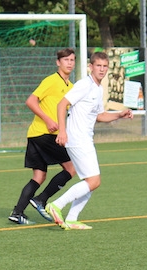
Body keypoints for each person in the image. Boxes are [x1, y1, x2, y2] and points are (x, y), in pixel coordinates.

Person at [45, 52, 133, 230]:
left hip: (85, 138)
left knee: (91, 181)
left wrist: (119, 114)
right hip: (77, 138)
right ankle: (56, 205)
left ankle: (72, 219)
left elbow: (100, 116)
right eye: (98, 66)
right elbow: (61, 105)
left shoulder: (98, 88)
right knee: (93, 181)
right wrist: (62, 131)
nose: (102, 69)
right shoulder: (84, 84)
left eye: (105, 66)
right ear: (90, 67)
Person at [9, 48, 77, 226]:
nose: (69, 63)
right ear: (58, 62)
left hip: (35, 135)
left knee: (39, 176)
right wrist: (47, 119)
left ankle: (17, 212)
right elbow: (31, 101)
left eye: (72, 60)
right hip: (45, 134)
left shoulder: (71, 87)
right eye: (66, 60)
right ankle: (41, 199)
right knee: (71, 168)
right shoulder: (52, 80)